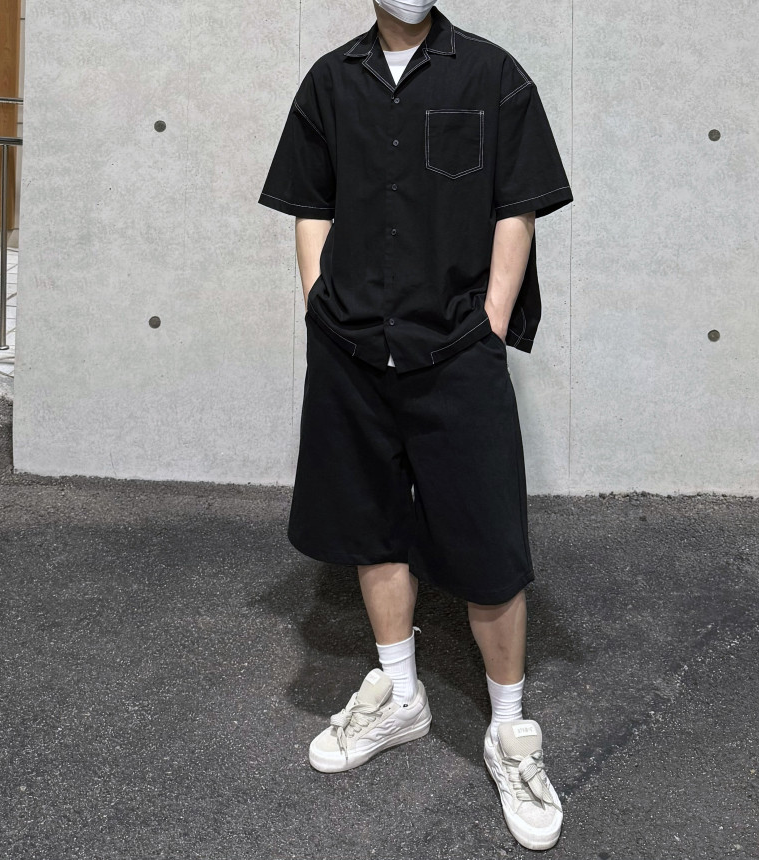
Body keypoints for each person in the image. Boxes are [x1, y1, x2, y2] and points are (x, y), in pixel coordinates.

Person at [258, 0, 573, 850]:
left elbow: (517, 207)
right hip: (353, 348)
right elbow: (309, 202)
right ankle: (400, 694)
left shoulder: (492, 74)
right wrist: (319, 303)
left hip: (457, 349)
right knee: (372, 524)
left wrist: (492, 322)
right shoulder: (330, 81)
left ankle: (509, 730)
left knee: (487, 539)